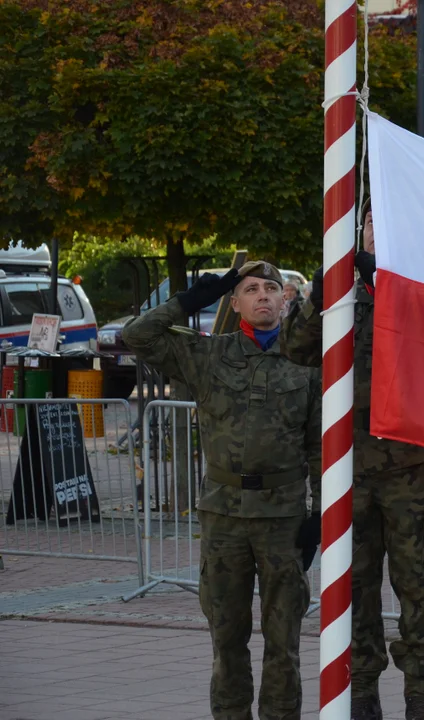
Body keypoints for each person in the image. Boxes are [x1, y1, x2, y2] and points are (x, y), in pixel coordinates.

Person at [123, 262, 323, 720]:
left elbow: (318, 443)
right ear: (235, 304)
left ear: (286, 300)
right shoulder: (209, 355)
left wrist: (319, 513)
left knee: (284, 639)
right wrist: (189, 301)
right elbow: (137, 335)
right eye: (250, 289)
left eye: (272, 288)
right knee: (226, 638)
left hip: (283, 518)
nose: (263, 296)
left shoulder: (307, 361)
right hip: (224, 518)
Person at [282, 206, 424, 720]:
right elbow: (296, 349)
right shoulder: (342, 294)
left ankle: (420, 697)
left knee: (420, 588)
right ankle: (362, 693)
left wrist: (390, 282)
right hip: (348, 471)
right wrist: (321, 292)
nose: (378, 230)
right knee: (353, 587)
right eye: (372, 221)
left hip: (411, 471)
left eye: (390, 220)